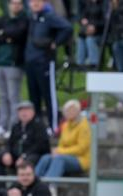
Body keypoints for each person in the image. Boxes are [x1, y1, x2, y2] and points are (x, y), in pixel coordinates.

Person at [24, 0, 72, 134]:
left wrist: (55, 43)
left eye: (38, 1)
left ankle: (54, 125)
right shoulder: (31, 18)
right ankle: (37, 127)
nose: (35, 4)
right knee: (34, 97)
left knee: (48, 95)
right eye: (32, 1)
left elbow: (67, 27)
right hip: (31, 62)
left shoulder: (49, 16)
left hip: (44, 61)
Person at [0, 0, 28, 138]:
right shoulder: (3, 19)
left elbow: (18, 34)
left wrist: (3, 34)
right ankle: (2, 125)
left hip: (13, 63)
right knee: (2, 96)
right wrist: (7, 36)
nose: (15, 6)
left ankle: (14, 126)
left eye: (18, 3)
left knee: (13, 96)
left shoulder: (24, 19)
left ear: (22, 5)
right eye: (13, 3)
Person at [35, 99, 91, 178]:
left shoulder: (84, 125)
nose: (69, 113)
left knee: (59, 159)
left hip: (81, 160)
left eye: (72, 110)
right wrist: (57, 151)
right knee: (46, 158)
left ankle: (49, 185)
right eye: (67, 111)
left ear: (78, 111)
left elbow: (81, 148)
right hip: (65, 155)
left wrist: (60, 151)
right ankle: (32, 182)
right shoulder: (65, 125)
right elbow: (62, 144)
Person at [0, 101, 50, 175]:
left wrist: (24, 156)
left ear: (33, 112)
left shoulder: (39, 126)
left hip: (33, 155)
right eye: (21, 111)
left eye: (26, 110)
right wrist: (7, 153)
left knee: (28, 161)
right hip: (16, 155)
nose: (24, 113)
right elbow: (10, 143)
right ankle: (0, 185)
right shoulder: (16, 126)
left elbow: (41, 146)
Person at [75, 0, 105, 69]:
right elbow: (81, 16)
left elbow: (105, 21)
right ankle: (80, 64)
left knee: (90, 40)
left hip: (100, 32)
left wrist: (94, 25)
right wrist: (82, 20)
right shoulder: (88, 4)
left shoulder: (103, 4)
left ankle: (94, 63)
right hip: (87, 31)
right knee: (81, 38)